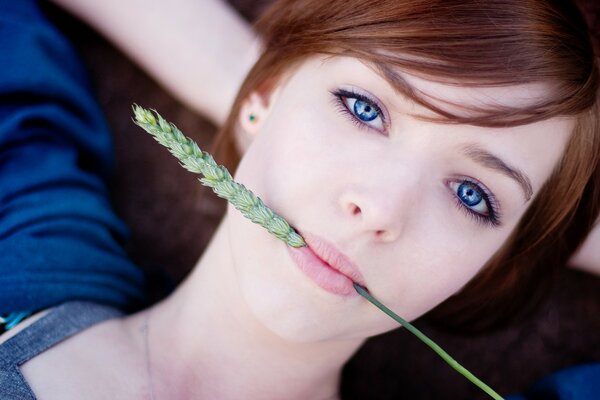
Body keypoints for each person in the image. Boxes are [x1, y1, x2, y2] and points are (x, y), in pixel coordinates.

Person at [1, 0, 599, 399]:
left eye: (472, 196)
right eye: (364, 109)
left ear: (494, 263)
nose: (383, 207)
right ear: (266, 93)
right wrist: (246, 90)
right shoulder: (28, 246)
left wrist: (556, 230)